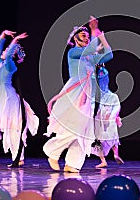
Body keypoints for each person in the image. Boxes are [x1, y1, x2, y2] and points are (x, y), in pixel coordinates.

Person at [44, 25, 113, 173]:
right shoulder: (74, 52)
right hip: (76, 91)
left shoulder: (90, 57)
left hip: (89, 94)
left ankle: (72, 163)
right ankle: (53, 152)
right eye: (83, 35)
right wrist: (94, 32)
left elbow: (109, 55)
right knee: (75, 127)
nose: (86, 37)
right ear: (75, 38)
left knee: (83, 131)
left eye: (87, 35)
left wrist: (102, 37)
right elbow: (88, 50)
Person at [0, 30, 39, 167]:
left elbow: (7, 56)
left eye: (8, 49)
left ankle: (18, 157)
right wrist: (3, 34)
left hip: (8, 98)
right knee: (9, 129)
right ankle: (17, 157)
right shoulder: (0, 64)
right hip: (2, 98)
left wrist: (16, 39)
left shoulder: (10, 65)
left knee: (12, 128)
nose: (5, 50)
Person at [91, 66, 124, 168]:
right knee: (111, 138)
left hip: (106, 116)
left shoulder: (108, 96)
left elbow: (117, 106)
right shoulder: (105, 95)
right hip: (104, 116)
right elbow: (117, 106)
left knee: (104, 138)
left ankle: (105, 159)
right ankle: (115, 155)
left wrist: (112, 116)